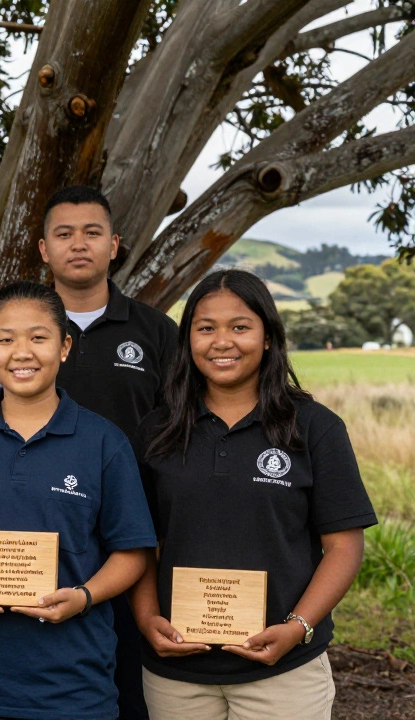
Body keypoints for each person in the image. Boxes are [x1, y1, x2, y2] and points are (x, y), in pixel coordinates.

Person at [131, 269, 375, 719]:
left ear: (267, 337)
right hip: (177, 674)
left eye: (240, 327)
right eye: (206, 328)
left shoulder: (315, 427)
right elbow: (141, 544)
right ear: (188, 341)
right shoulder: (156, 431)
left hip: (284, 674)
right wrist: (147, 619)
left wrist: (298, 627)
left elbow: (344, 545)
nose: (222, 342)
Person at [0, 281, 157, 720]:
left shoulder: (105, 443)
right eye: (6, 339)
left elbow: (133, 552)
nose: (22, 352)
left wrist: (84, 597)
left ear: (64, 347)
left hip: (73, 685)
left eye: (38, 337)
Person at [40, 185, 177, 719]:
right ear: (43, 248)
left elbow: (181, 435)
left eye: (93, 232)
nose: (80, 244)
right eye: (64, 233)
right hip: (39, 542)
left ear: (114, 245)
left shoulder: (154, 331)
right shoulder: (20, 330)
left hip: (135, 545)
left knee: (132, 691)